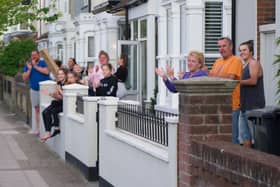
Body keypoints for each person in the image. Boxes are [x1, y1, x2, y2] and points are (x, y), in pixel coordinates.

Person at [209, 37, 243, 145]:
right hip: (218, 104)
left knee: (232, 137)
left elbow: (230, 79)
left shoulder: (236, 60)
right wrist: (218, 76)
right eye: (219, 46)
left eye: (224, 46)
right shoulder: (217, 61)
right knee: (219, 136)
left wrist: (217, 76)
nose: (221, 49)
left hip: (231, 105)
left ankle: (236, 161)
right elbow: (210, 78)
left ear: (231, 47)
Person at [239, 40, 265, 147]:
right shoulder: (244, 65)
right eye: (240, 50)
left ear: (251, 51)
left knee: (257, 138)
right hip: (244, 106)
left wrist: (236, 82)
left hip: (254, 106)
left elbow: (253, 81)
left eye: (244, 50)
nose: (242, 52)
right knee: (245, 137)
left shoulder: (254, 63)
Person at [22, 50, 50, 136]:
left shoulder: (43, 62)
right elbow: (24, 77)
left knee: (46, 107)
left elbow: (46, 72)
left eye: (35, 55)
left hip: (45, 90)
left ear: (38, 55)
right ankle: (38, 128)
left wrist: (35, 66)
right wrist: (30, 69)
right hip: (34, 89)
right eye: (32, 55)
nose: (33, 56)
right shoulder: (28, 65)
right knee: (37, 109)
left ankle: (46, 128)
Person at [40, 68, 68, 142]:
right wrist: (50, 94)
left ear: (65, 75)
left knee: (53, 111)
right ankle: (47, 132)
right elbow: (59, 97)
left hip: (65, 104)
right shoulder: (58, 83)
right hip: (58, 102)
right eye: (59, 74)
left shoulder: (67, 84)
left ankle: (56, 127)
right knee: (44, 112)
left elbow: (66, 97)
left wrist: (59, 90)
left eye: (62, 74)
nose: (60, 76)